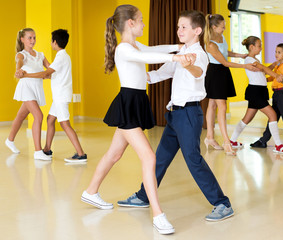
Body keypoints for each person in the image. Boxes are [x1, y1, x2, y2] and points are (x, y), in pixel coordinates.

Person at [80, 5, 192, 235]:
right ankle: (158, 215)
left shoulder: (133, 44)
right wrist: (177, 57)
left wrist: (175, 47)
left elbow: (151, 49)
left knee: (115, 154)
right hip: (128, 103)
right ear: (130, 23)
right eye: (141, 20)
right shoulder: (123, 49)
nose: (143, 24)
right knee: (149, 157)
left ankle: (91, 192)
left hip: (136, 101)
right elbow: (147, 56)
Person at [116, 10, 234, 223]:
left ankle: (222, 203)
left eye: (184, 27)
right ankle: (144, 196)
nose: (179, 30)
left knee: (193, 160)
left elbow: (198, 72)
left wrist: (188, 65)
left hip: (189, 114)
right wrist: (136, 76)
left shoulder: (199, 54)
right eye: (178, 26)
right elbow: (159, 73)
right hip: (175, 114)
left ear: (197, 31)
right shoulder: (182, 54)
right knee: (160, 159)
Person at [16, 29, 87, 163]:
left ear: (55, 42)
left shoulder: (61, 57)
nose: (50, 43)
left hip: (61, 97)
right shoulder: (63, 56)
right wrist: (44, 75)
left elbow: (45, 73)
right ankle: (47, 149)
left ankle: (81, 153)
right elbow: (50, 74)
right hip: (59, 96)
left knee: (65, 124)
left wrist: (26, 75)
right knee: (50, 120)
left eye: (51, 41)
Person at [203, 14, 258, 155]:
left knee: (212, 105)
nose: (225, 28)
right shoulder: (209, 44)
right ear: (214, 27)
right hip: (215, 74)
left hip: (223, 73)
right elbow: (225, 62)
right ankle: (227, 142)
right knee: (221, 106)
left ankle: (209, 137)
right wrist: (245, 66)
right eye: (222, 26)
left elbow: (225, 52)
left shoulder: (221, 37)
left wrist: (241, 56)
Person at [229, 37, 283, 153]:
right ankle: (278, 146)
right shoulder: (249, 60)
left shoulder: (254, 60)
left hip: (259, 91)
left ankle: (232, 140)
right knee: (272, 114)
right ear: (251, 47)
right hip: (255, 92)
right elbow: (262, 68)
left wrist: (274, 65)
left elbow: (263, 70)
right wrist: (276, 75)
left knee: (247, 119)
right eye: (259, 46)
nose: (261, 48)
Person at [6, 28, 52, 161]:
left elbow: (49, 70)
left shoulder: (41, 55)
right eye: (29, 38)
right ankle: (38, 151)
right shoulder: (21, 54)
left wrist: (47, 75)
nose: (33, 40)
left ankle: (10, 140)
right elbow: (19, 64)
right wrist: (18, 71)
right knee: (38, 115)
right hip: (26, 87)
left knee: (21, 116)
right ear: (22, 39)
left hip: (36, 89)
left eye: (34, 38)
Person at [251, 43, 283, 153]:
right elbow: (273, 77)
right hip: (276, 95)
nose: (276, 54)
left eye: (279, 52)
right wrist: (264, 80)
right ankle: (263, 141)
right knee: (272, 118)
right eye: (275, 52)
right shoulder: (278, 65)